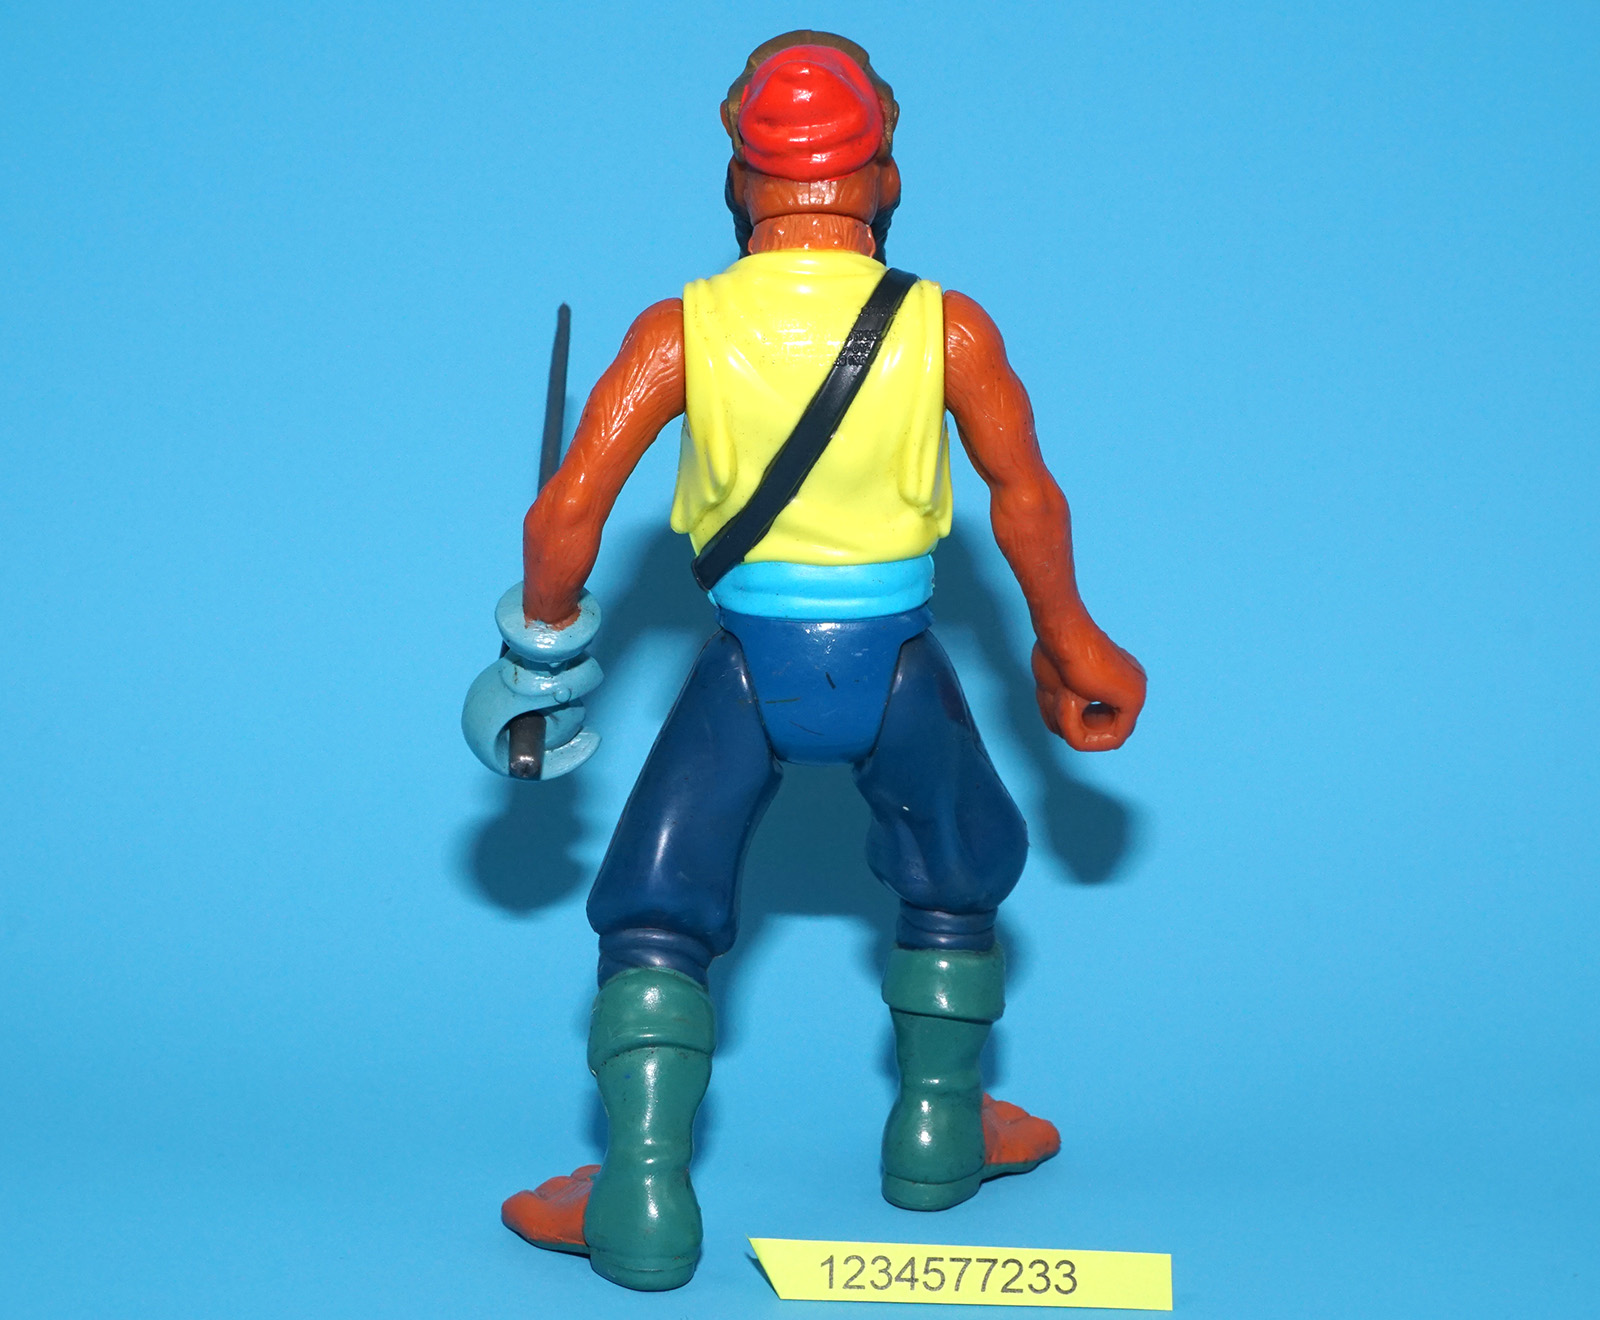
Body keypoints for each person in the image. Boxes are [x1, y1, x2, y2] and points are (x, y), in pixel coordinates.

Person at [484, 31, 1147, 1292]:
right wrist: (1070, 640)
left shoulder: (681, 330)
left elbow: (564, 515)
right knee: (955, 874)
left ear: (741, 182)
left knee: (656, 908)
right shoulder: (947, 329)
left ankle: (638, 1197)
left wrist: (537, 659)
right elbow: (1024, 498)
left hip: (748, 665)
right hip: (896, 662)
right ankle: (939, 1133)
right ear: (882, 178)